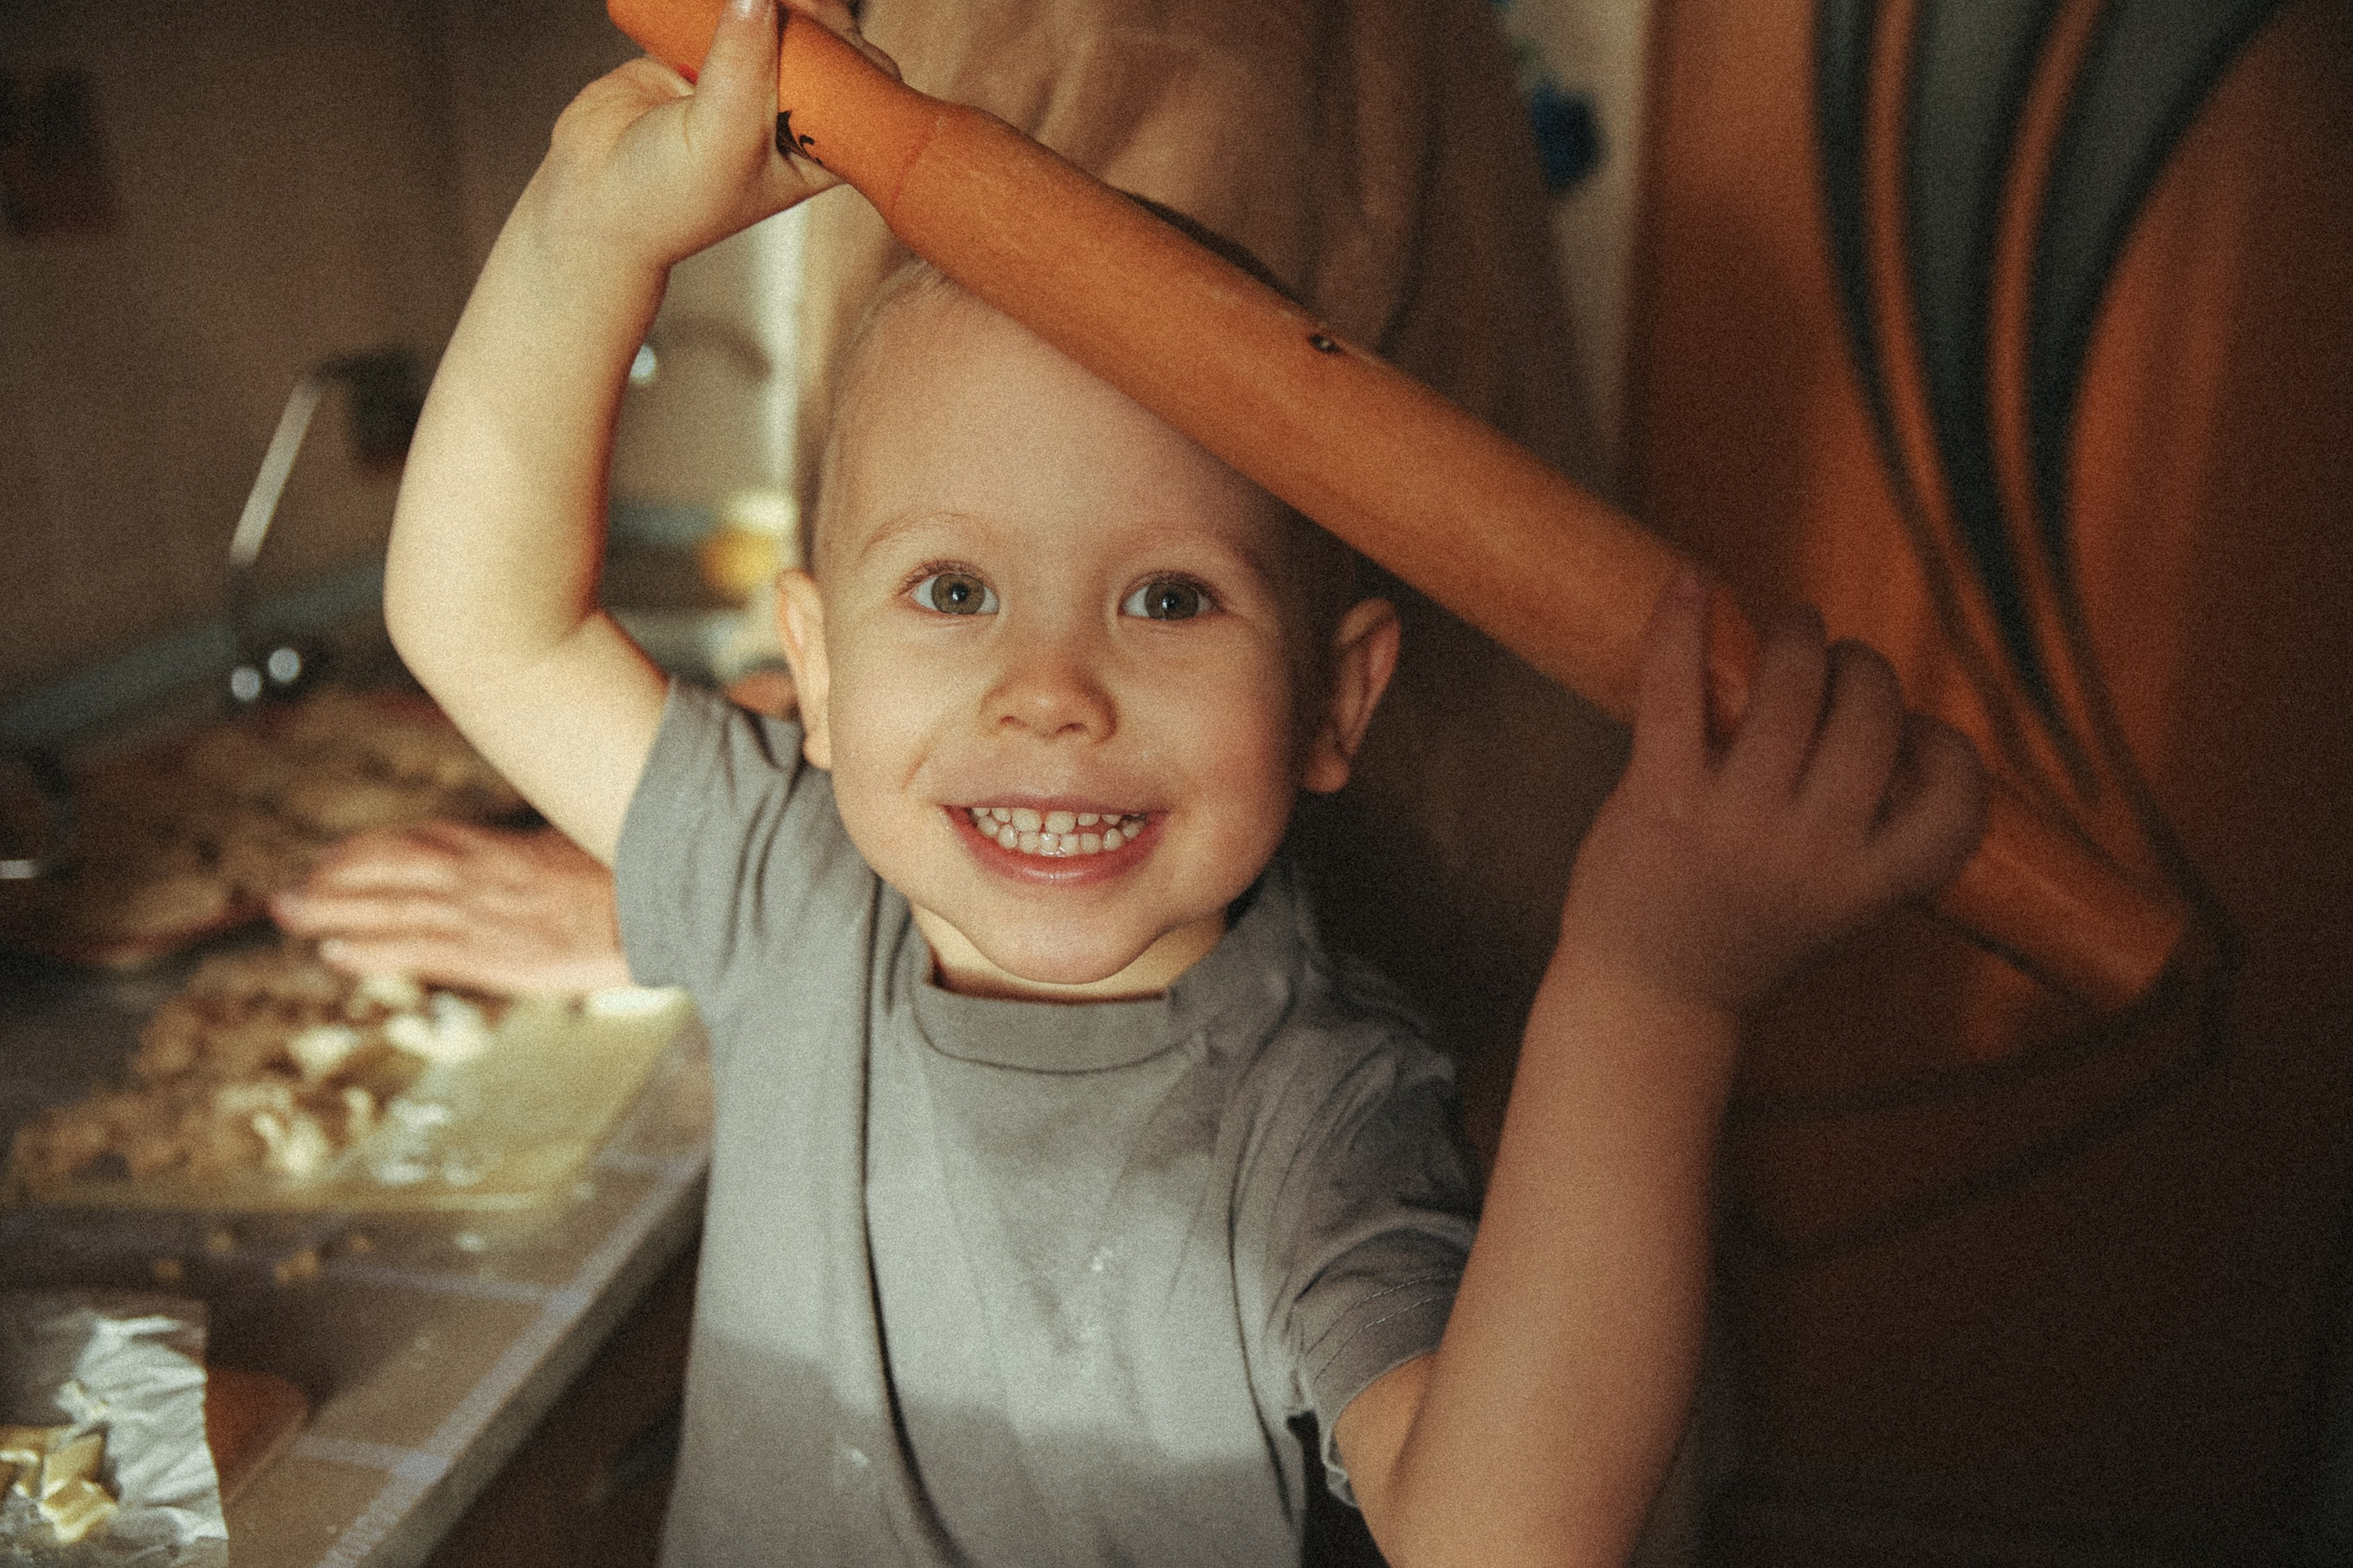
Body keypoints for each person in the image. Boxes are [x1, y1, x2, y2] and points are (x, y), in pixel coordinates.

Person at [383, 5, 1985, 1565]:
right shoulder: (783, 884)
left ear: (1333, 698)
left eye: (1168, 597)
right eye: (953, 590)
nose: (1052, 694)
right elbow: (481, 619)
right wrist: (583, 240)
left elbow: (1505, 1533)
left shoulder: (1318, 1112)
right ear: (812, 669)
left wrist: (1658, 988)